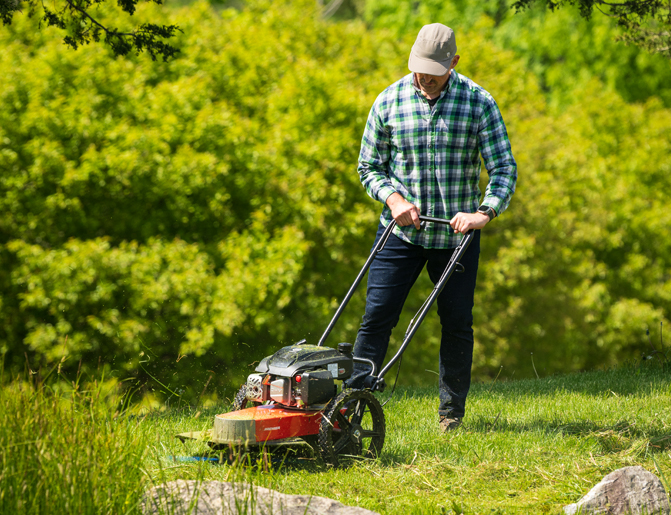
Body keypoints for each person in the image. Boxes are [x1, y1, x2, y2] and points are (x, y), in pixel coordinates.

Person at [347, 23, 517, 431]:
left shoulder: (479, 103)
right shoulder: (389, 101)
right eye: (419, 69)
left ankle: (451, 415)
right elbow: (369, 166)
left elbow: (504, 169)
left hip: (456, 238)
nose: (424, 78)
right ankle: (352, 405)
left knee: (457, 323)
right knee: (376, 318)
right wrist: (394, 199)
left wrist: (484, 213)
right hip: (400, 233)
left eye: (433, 72)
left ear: (453, 63)